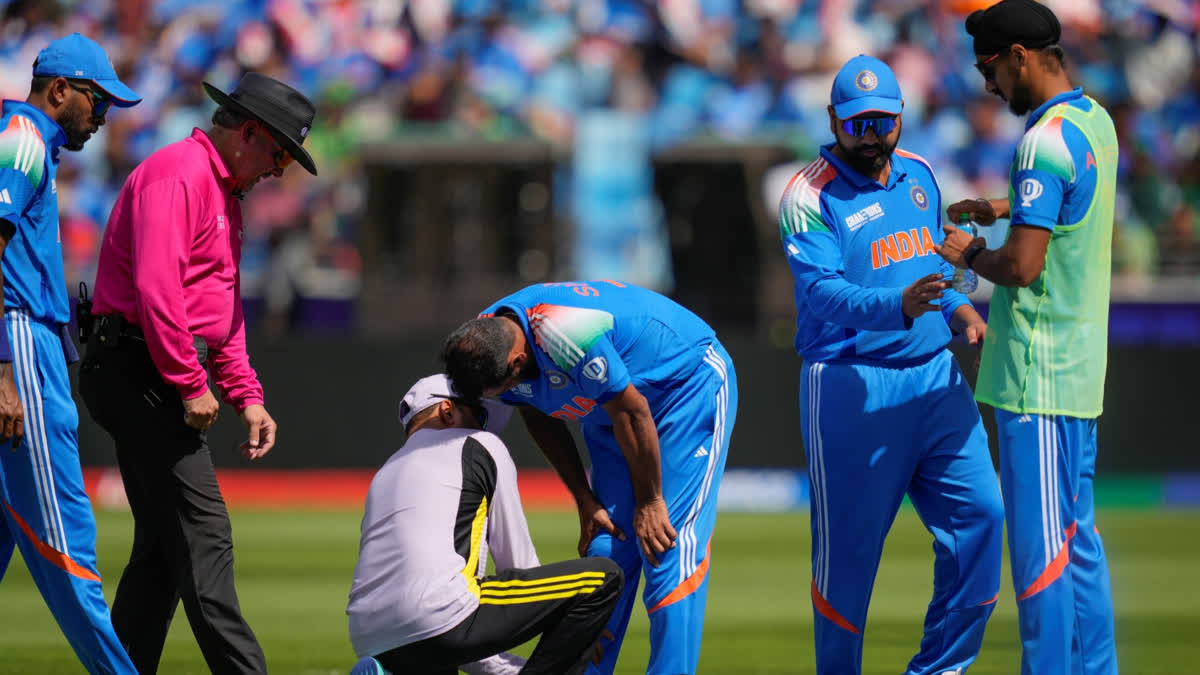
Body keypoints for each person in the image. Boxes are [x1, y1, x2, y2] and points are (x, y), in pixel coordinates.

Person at [77, 72, 318, 674]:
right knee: (204, 543)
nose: (281, 168)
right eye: (282, 151)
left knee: (161, 553)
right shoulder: (179, 174)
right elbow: (157, 292)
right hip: (141, 370)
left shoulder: (218, 190)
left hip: (147, 366)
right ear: (250, 133)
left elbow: (220, 309)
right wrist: (189, 382)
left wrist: (247, 395)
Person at [778, 54, 1004, 675]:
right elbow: (822, 293)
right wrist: (898, 306)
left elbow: (931, 267)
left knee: (982, 517)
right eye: (858, 125)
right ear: (833, 119)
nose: (872, 137)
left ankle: (941, 669)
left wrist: (957, 307)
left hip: (935, 377)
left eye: (883, 123)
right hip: (852, 385)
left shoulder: (922, 174)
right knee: (848, 559)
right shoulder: (807, 194)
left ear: (903, 117)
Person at [936, 2, 1120, 673]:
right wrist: (1009, 203)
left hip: (1035, 376)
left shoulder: (1040, 143)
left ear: (1018, 56)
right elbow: (1075, 187)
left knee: (1042, 554)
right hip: (1078, 371)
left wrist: (968, 251)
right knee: (1081, 545)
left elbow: (1021, 266)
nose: (986, 85)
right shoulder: (1092, 121)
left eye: (989, 67)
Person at [441, 280, 738, 675]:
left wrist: (650, 502)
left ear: (516, 363)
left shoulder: (565, 332)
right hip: (609, 410)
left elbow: (633, 412)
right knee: (607, 549)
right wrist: (585, 499)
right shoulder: (484, 343)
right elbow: (536, 412)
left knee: (668, 547)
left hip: (684, 388)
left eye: (503, 389)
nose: (503, 398)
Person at [0, 33, 141, 675]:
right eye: (97, 98)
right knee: (67, 547)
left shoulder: (31, 142)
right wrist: (4, 367)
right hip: (19, 344)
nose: (104, 114)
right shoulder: (25, 137)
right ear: (60, 91)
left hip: (27, 341)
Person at [346, 374, 624, 675]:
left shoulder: (385, 473)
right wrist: (571, 628)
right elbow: (517, 565)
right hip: (440, 618)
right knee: (601, 579)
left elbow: (456, 628)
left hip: (369, 637)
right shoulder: (479, 444)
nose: (484, 427)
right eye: (479, 415)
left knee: (441, 644)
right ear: (446, 411)